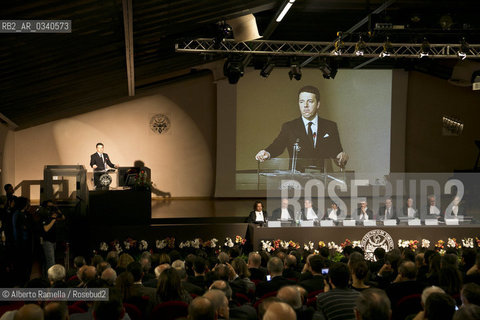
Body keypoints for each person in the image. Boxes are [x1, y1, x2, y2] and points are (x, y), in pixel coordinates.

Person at [255, 85, 348, 172]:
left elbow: (336, 151)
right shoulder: (289, 127)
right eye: (302, 101)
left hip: (323, 181)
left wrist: (341, 156)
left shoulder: (330, 126)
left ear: (318, 104)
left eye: (310, 101)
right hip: (298, 181)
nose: (305, 105)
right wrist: (267, 152)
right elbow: (278, 146)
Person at [38, 200, 66, 272]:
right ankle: (51, 278)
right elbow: (46, 229)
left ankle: (47, 277)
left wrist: (57, 210)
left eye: (52, 206)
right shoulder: (44, 215)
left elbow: (63, 218)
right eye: (49, 206)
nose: (51, 208)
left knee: (49, 261)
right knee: (51, 262)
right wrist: (53, 219)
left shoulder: (53, 214)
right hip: (47, 241)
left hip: (53, 240)